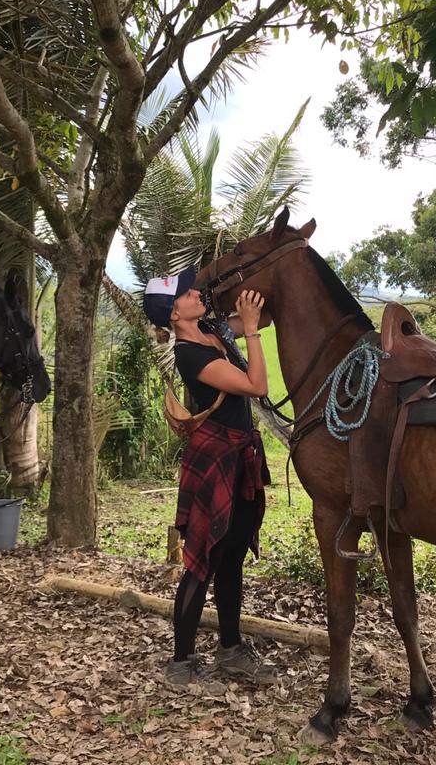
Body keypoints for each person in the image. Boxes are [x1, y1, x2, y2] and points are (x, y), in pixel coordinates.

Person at [143, 268, 278, 687]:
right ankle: (181, 665)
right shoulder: (190, 354)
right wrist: (251, 331)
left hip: (238, 456)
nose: (196, 292)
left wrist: (249, 296)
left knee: (232, 555)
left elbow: (265, 317)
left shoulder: (211, 330)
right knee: (203, 561)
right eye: (187, 293)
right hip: (216, 459)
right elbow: (257, 385)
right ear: (173, 313)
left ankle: (231, 649)